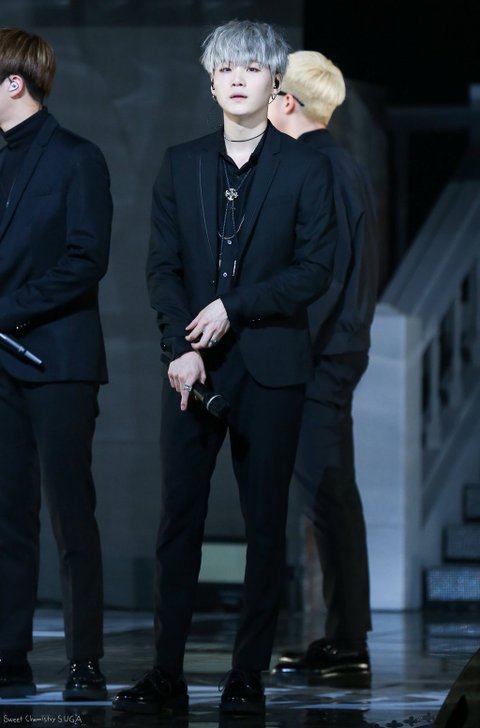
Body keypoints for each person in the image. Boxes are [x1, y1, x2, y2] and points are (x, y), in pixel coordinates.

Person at [112, 20, 337, 717]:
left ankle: (247, 673)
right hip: (192, 366)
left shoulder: (305, 167)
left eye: (252, 68)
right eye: (225, 69)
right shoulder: (181, 163)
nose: (238, 78)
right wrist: (177, 348)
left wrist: (232, 308)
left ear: (275, 83)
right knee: (178, 520)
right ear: (211, 83)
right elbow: (162, 269)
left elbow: (315, 270)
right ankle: (166, 672)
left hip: (271, 367)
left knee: (265, 525)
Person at [0, 29, 112, 699]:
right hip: (2, 364)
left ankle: (84, 660)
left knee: (72, 514)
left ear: (14, 83)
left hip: (58, 361)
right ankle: (8, 653)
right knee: (7, 514)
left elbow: (85, 259)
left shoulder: (76, 157)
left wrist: (7, 309)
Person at [268, 51, 378, 685]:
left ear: (286, 100)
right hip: (332, 351)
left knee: (329, 495)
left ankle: (348, 643)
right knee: (329, 494)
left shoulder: (320, 167)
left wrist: (291, 352)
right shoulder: (339, 163)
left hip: (321, 356)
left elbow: (326, 276)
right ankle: (343, 637)